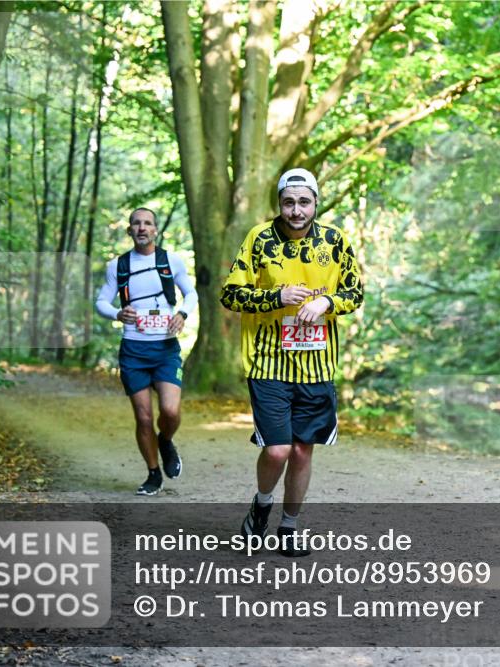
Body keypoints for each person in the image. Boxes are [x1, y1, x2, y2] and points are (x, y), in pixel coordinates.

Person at [221, 168, 363, 557]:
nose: (296, 210)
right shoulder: (259, 238)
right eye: (289, 202)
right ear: (279, 204)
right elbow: (230, 294)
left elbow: (355, 291)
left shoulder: (335, 242)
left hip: (317, 366)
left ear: (316, 202)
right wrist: (275, 297)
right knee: (278, 450)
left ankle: (290, 527)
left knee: (303, 450)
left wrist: (327, 302)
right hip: (269, 363)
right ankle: (261, 505)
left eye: (304, 202)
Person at [95, 207, 198, 495]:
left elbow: (191, 293)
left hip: (165, 348)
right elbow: (101, 301)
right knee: (142, 418)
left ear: (155, 230)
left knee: (170, 410)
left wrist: (183, 314)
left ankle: (165, 440)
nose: (142, 228)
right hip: (133, 351)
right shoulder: (118, 266)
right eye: (136, 223)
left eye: (147, 223)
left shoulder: (171, 261)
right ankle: (153, 474)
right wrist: (117, 314)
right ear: (129, 230)